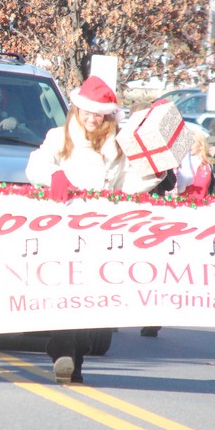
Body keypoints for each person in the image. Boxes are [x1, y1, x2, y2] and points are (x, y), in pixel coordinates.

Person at [25, 76, 166, 383]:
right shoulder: (58, 137)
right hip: (63, 226)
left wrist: (154, 174)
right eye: (86, 112)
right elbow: (35, 166)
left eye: (98, 113)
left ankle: (75, 358)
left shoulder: (119, 144)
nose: (91, 118)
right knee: (66, 291)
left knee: (89, 296)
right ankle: (63, 349)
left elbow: (127, 185)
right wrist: (55, 177)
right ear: (77, 109)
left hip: (100, 229)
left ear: (107, 115)